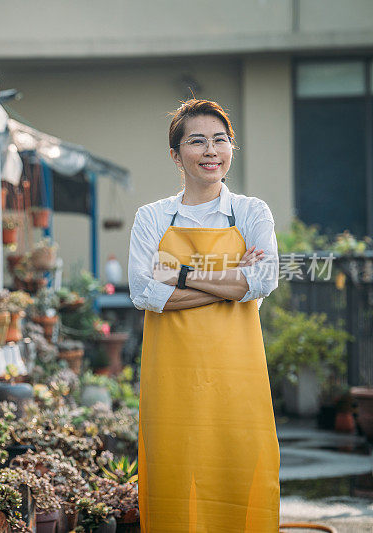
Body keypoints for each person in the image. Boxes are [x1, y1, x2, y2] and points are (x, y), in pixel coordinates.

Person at [128, 99, 280, 531]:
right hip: (172, 380)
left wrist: (181, 274)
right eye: (197, 141)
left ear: (232, 149)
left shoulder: (252, 211)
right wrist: (233, 286)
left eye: (220, 140)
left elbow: (265, 280)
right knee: (174, 479)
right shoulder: (152, 217)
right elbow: (143, 291)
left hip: (238, 376)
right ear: (176, 155)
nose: (211, 150)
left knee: (241, 475)